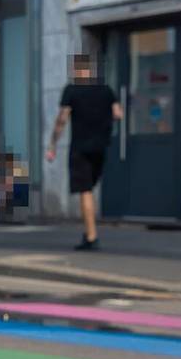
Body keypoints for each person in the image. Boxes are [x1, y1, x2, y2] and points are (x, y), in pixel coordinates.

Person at [46, 53, 122, 250]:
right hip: (101, 147)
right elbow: (118, 114)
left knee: (85, 192)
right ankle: (90, 232)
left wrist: (53, 144)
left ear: (76, 71)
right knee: (91, 188)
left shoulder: (71, 90)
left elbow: (62, 120)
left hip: (80, 148)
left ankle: (91, 236)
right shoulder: (106, 90)